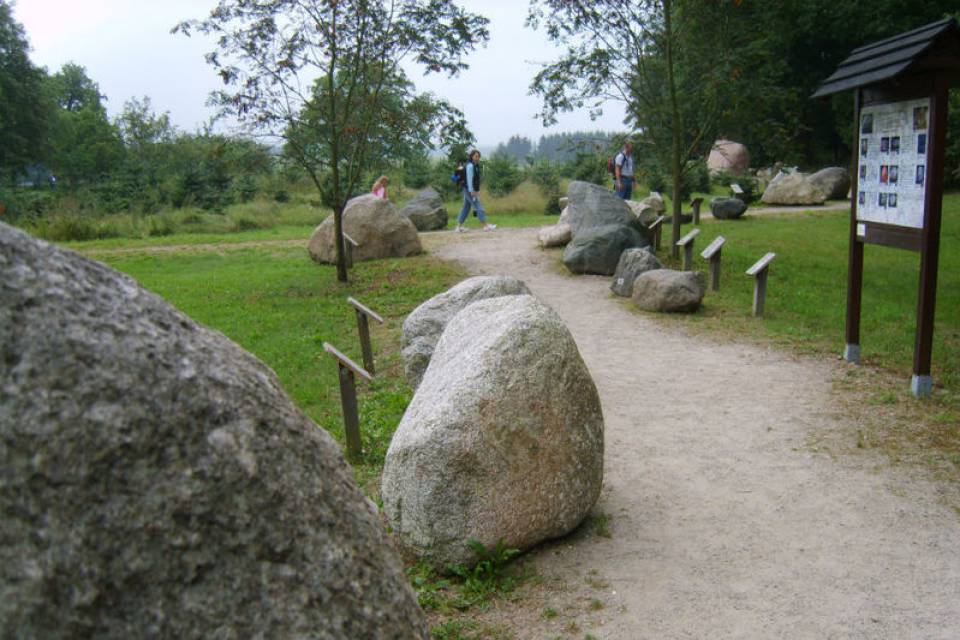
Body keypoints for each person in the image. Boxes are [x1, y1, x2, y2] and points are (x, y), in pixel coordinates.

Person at [457, 150, 496, 232]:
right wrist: (472, 191)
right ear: (471, 156)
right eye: (476, 156)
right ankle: (485, 226)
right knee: (478, 206)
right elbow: (469, 179)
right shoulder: (470, 166)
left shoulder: (474, 165)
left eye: (478, 156)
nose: (477, 158)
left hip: (467, 189)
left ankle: (459, 227)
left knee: (466, 207)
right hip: (469, 190)